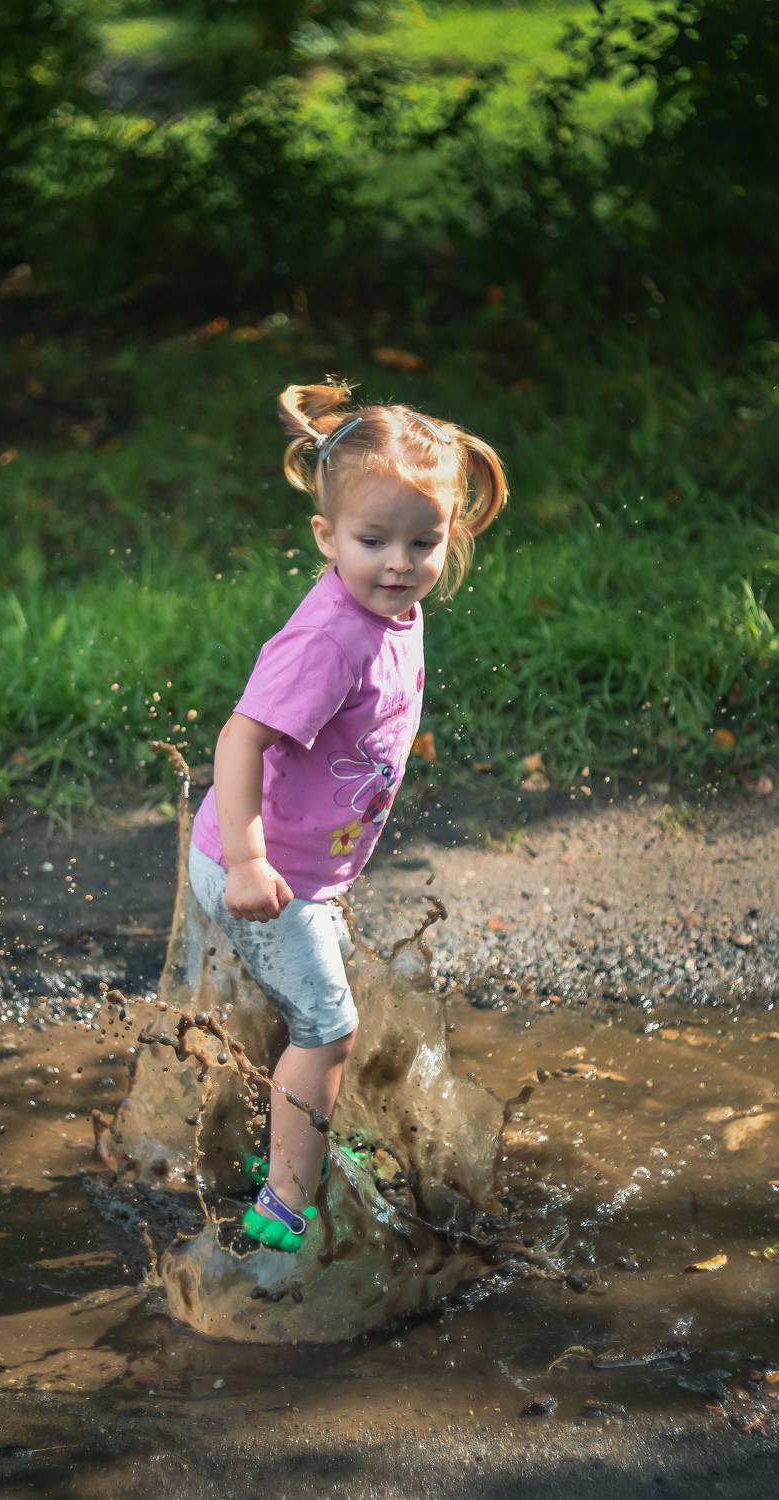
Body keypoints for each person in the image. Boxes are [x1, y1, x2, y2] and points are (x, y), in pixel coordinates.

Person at [187, 378, 507, 1252]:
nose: (398, 563)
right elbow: (240, 738)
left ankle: (282, 1133)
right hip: (260, 867)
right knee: (328, 1027)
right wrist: (249, 862)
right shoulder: (331, 639)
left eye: (422, 541)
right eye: (373, 541)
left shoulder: (390, 609)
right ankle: (286, 1200)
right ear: (326, 537)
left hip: (297, 867)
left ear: (451, 534)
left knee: (310, 1007)